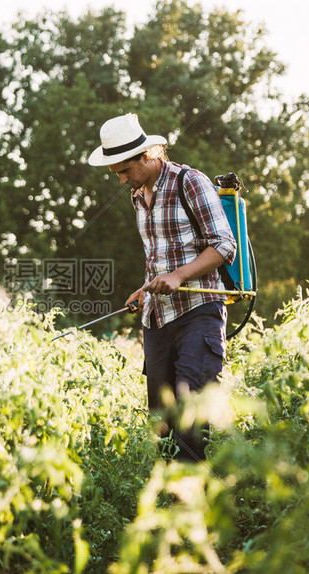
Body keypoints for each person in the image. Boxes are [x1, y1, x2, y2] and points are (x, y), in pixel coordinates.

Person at [88, 113, 237, 462]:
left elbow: (223, 245)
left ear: (147, 156)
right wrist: (147, 288)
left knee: (189, 413)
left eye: (125, 170)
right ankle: (171, 505)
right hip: (157, 320)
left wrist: (180, 276)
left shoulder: (190, 182)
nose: (122, 180)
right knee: (163, 424)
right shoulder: (139, 195)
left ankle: (193, 509)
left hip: (198, 312)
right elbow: (161, 257)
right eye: (117, 174)